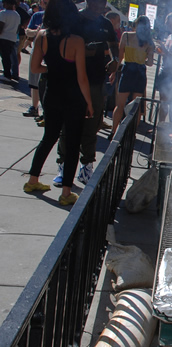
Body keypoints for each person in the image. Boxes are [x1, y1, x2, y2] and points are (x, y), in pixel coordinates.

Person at [23, 0, 93, 206]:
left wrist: (53, 69)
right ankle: (66, 193)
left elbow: (35, 68)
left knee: (49, 137)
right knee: (72, 144)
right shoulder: (77, 41)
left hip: (51, 94)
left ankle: (32, 180)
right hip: (73, 98)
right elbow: (82, 78)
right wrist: (89, 102)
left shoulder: (41, 36)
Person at [52, 0, 118, 187]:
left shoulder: (105, 23)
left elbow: (113, 44)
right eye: (98, 2)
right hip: (72, 81)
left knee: (92, 125)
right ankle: (63, 166)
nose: (101, 5)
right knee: (68, 125)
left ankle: (86, 166)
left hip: (96, 81)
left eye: (103, 2)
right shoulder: (75, 19)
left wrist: (115, 60)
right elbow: (61, 43)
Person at [109, 15, 154, 139]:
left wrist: (114, 72)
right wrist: (141, 60)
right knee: (136, 107)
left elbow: (120, 56)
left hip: (127, 70)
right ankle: (132, 134)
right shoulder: (149, 42)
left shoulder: (126, 36)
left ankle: (113, 131)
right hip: (140, 73)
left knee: (120, 105)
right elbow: (150, 63)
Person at [22, 0, 45, 118]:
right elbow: (28, 32)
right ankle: (34, 107)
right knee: (34, 82)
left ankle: (46, 110)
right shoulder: (37, 16)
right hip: (37, 51)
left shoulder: (59, 17)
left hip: (49, 54)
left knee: (46, 83)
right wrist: (36, 31)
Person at [0, 0, 20, 81]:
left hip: (3, 37)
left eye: (4, 3)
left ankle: (7, 74)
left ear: (8, 4)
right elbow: (18, 28)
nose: (3, 4)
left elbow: (1, 26)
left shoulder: (3, 13)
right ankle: (9, 73)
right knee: (8, 56)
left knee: (5, 57)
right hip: (12, 38)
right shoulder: (17, 15)